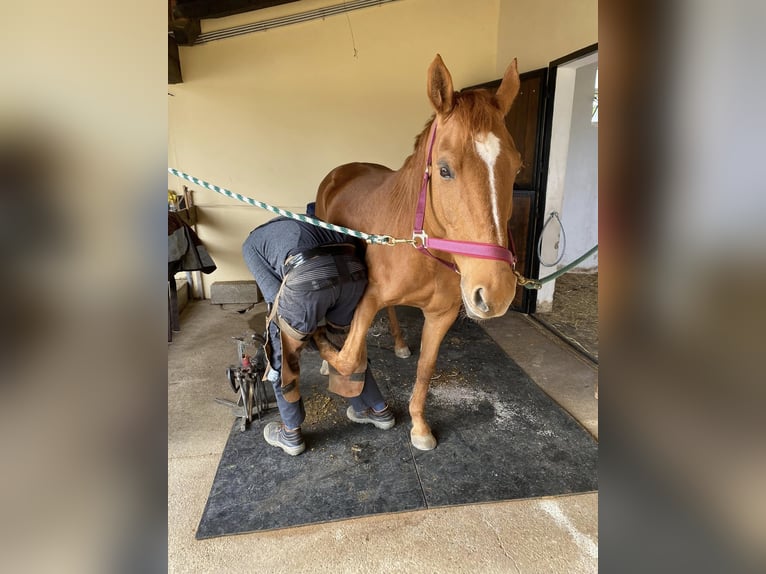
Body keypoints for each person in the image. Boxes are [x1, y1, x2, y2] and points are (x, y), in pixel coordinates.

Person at [242, 214, 395, 456]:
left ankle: (290, 434)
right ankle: (376, 409)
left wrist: (299, 333)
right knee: (346, 346)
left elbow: (275, 298)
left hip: (308, 274)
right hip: (354, 272)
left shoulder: (251, 245)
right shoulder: (310, 220)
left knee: (283, 353)